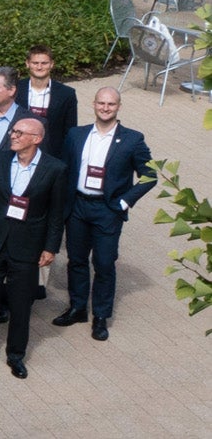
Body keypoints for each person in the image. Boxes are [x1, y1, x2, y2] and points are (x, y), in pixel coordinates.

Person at [0, 116, 71, 378]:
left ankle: (16, 355)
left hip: (28, 247)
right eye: (13, 131)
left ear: (37, 139)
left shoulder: (55, 169)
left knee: (21, 304)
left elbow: (56, 215)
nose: (13, 135)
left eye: (20, 133)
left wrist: (51, 248)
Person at [55, 87, 153, 341]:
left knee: (104, 264)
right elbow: (64, 168)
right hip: (77, 206)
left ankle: (100, 315)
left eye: (111, 104)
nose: (105, 108)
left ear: (118, 107)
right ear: (94, 104)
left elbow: (150, 174)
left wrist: (124, 202)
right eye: (101, 103)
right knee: (76, 260)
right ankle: (77, 307)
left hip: (107, 209)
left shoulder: (132, 139)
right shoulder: (76, 135)